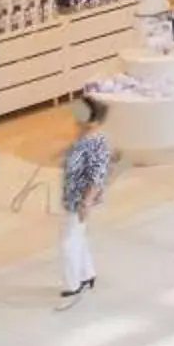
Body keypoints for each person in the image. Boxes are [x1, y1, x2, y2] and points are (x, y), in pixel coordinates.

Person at [56, 94, 114, 305]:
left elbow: (97, 177)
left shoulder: (97, 144)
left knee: (68, 241)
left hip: (80, 199)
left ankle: (73, 284)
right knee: (77, 236)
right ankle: (86, 274)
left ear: (95, 121)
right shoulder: (82, 137)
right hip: (72, 195)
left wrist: (86, 202)